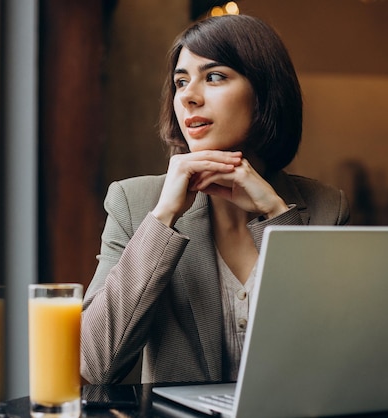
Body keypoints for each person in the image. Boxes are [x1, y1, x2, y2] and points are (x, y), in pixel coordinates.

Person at [81, 14, 350, 385]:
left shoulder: (325, 206)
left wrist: (276, 214)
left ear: (265, 94)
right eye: (180, 82)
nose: (189, 96)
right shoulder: (134, 201)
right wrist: (162, 219)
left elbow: (337, 357)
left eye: (214, 76)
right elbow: (93, 363)